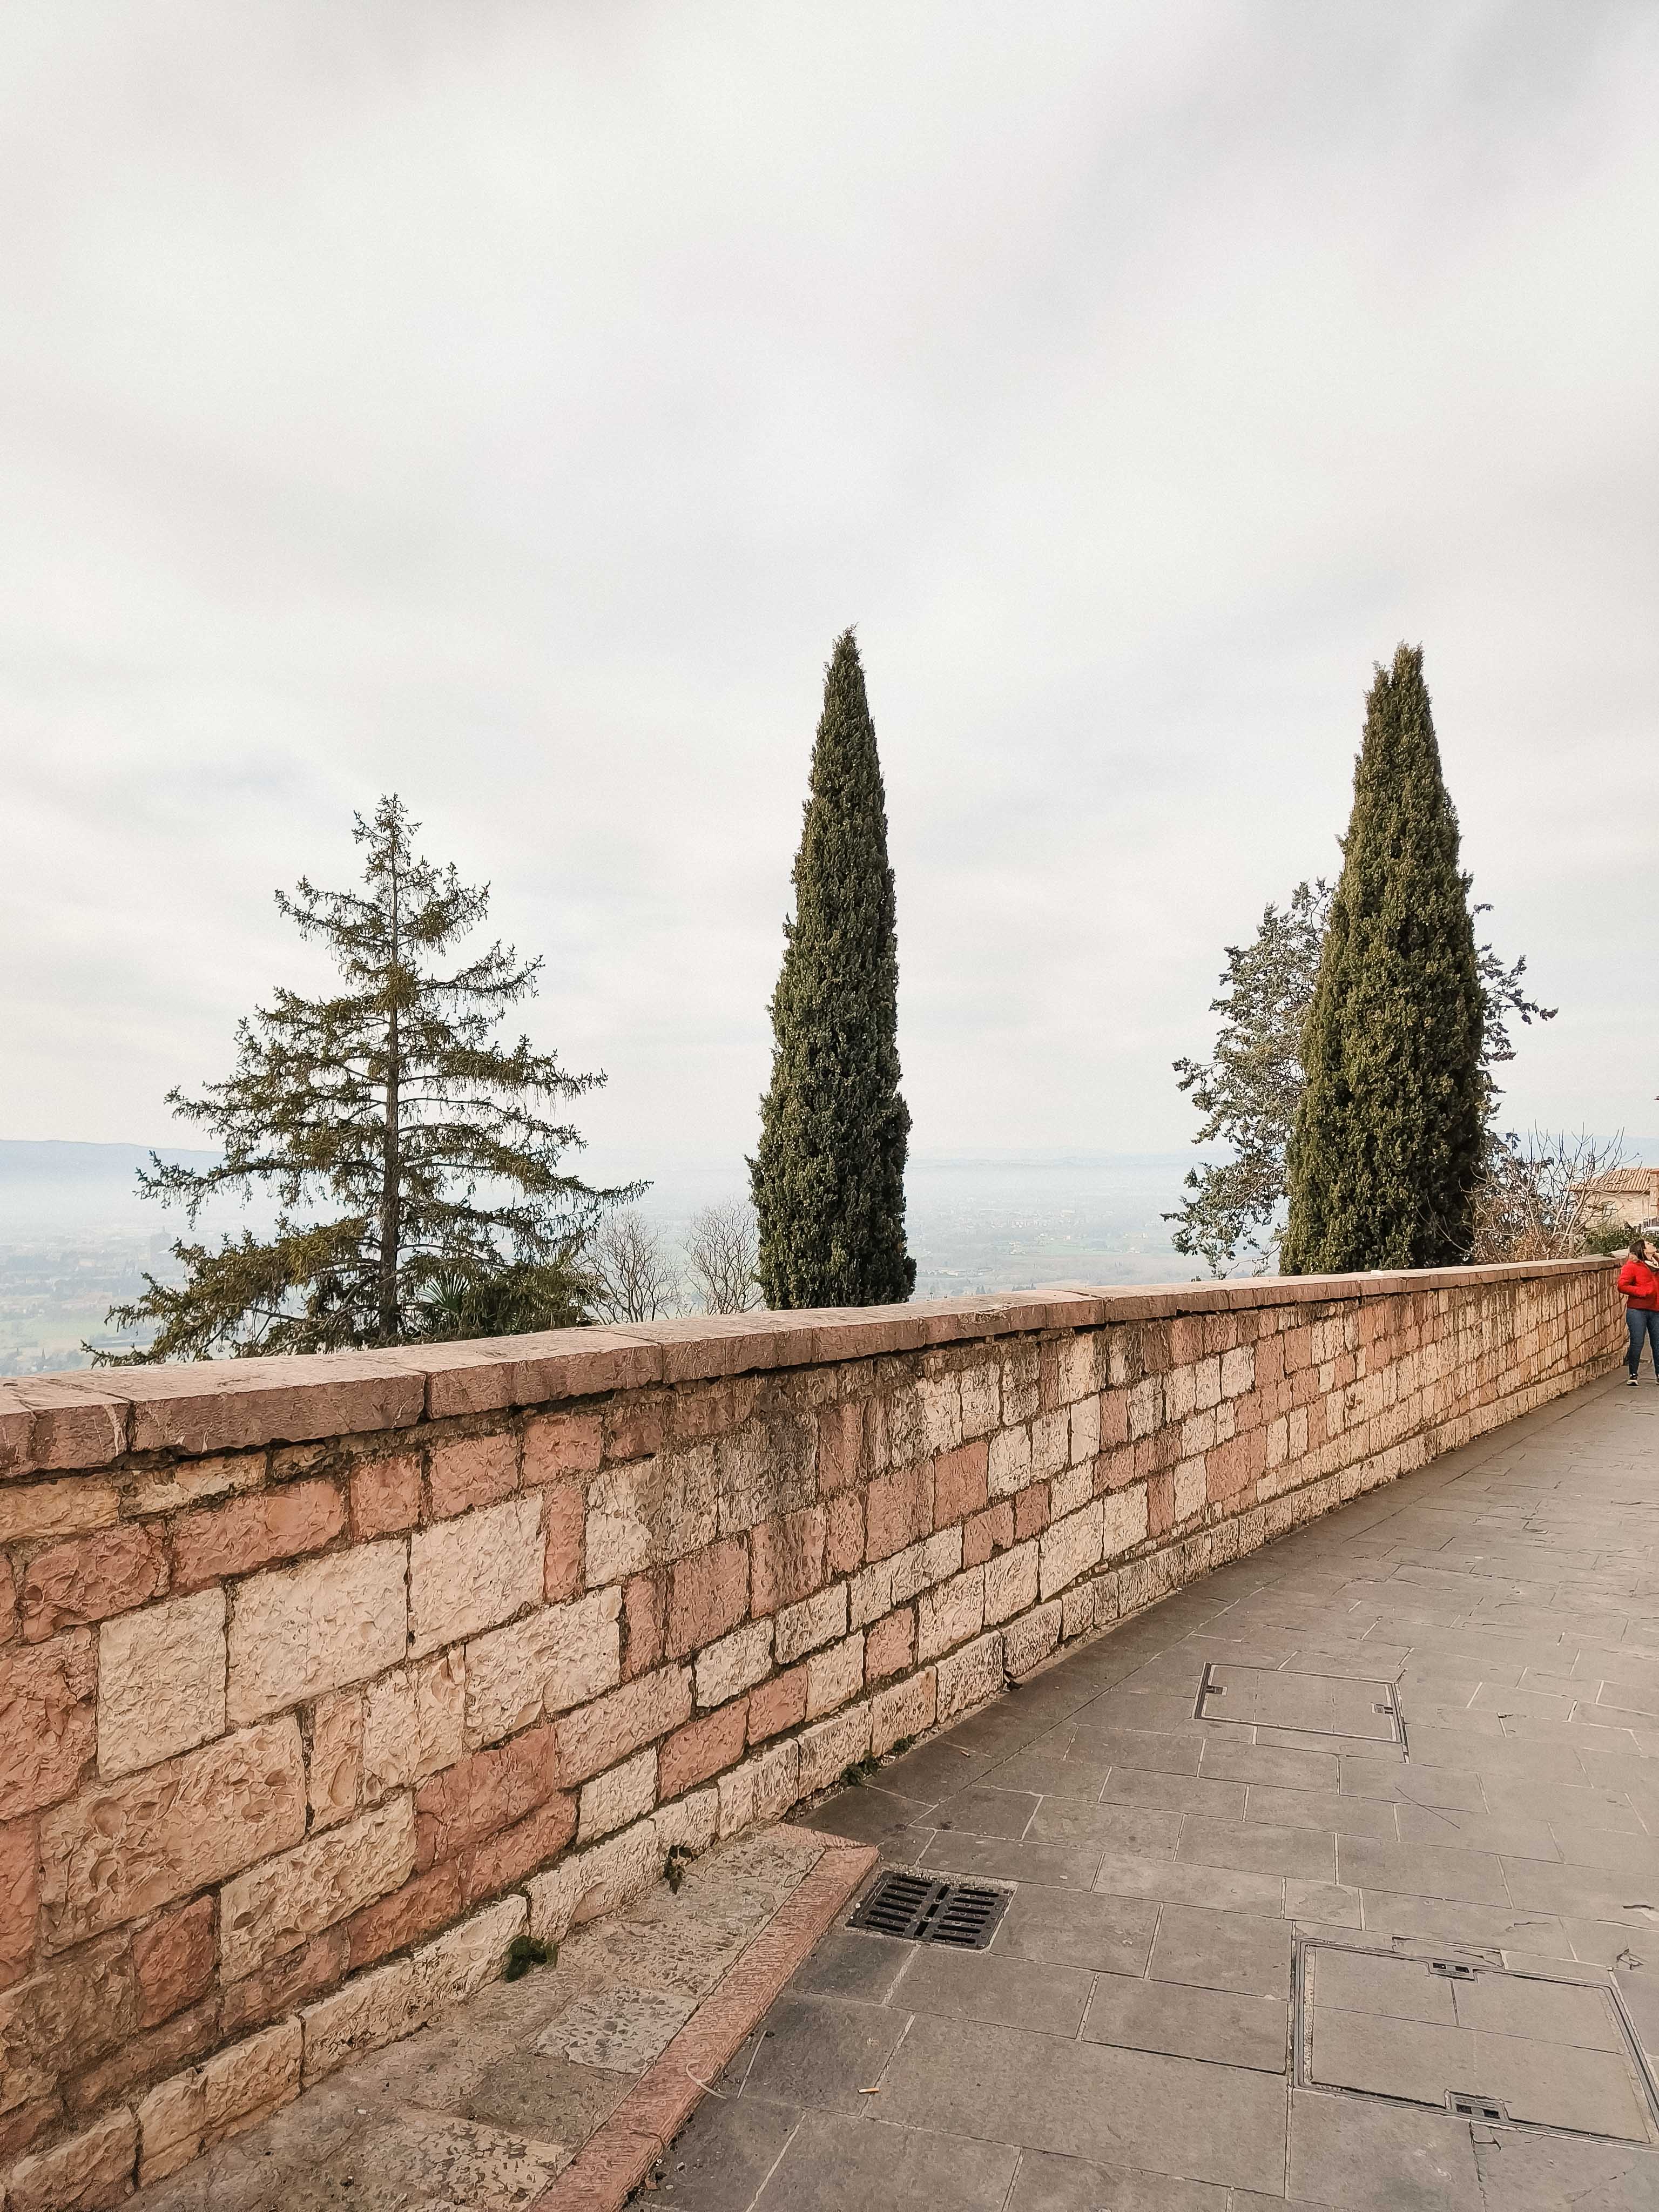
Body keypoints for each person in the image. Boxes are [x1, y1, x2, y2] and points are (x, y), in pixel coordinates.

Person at [1618, 1236, 1659, 1385]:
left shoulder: (1656, 1263)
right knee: (1637, 1342)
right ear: (1642, 1250)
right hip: (1637, 1310)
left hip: (1656, 1309)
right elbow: (1622, 1286)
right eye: (1648, 1244)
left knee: (1658, 1343)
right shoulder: (1632, 1266)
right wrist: (1641, 1291)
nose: (1652, 1244)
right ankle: (1633, 1375)